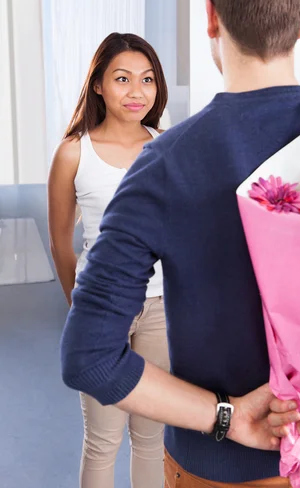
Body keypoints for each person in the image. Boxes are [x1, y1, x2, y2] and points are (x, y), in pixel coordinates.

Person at [60, 0, 300, 488]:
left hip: (210, 468)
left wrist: (229, 416)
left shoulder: (162, 166)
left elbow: (88, 357)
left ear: (211, 16)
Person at [48, 33, 170, 488]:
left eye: (147, 80)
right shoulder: (73, 153)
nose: (137, 91)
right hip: (101, 308)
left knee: (150, 435)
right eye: (122, 79)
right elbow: (62, 244)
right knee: (103, 439)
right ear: (98, 84)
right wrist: (79, 306)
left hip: (160, 307)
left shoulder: (167, 147)